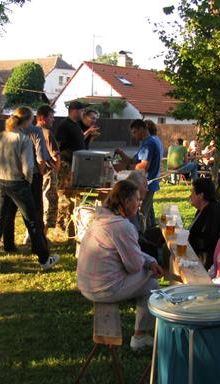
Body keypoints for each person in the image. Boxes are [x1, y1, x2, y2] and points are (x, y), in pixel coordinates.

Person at [77, 180, 165, 350]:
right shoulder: (122, 226)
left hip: (85, 283)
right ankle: (140, 336)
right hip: (102, 288)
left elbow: (132, 254)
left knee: (149, 276)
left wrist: (149, 261)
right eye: (137, 200)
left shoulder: (101, 217)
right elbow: (134, 265)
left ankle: (141, 335)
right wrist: (151, 264)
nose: (139, 203)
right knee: (152, 280)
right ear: (126, 201)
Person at [0, 111, 59, 275]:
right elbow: (28, 166)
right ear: (23, 123)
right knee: (33, 221)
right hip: (19, 184)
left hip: (2, 183)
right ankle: (44, 260)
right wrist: (27, 181)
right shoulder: (23, 139)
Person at [2, 107, 50, 250]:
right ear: (30, 119)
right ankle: (38, 245)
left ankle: (9, 245)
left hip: (9, 176)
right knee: (34, 212)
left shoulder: (8, 132)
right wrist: (41, 172)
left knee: (9, 212)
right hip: (31, 175)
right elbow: (41, 158)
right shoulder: (35, 131)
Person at [113, 120, 163, 228]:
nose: (134, 136)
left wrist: (124, 167)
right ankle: (149, 233)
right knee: (148, 216)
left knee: (141, 214)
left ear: (141, 129)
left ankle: (139, 236)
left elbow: (143, 166)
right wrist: (122, 154)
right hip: (147, 183)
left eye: (135, 132)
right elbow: (133, 161)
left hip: (147, 184)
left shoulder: (148, 144)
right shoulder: (145, 143)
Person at [55, 100, 89, 231]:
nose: (83, 113)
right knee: (64, 193)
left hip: (76, 164)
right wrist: (58, 162)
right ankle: (60, 223)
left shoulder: (76, 125)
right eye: (81, 111)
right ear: (74, 111)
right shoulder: (65, 125)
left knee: (73, 194)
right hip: (66, 164)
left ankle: (70, 220)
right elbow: (57, 145)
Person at [188, 178, 220, 269]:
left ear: (201, 195)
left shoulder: (213, 212)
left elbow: (207, 241)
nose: (190, 196)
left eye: (192, 193)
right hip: (199, 254)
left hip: (208, 261)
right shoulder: (203, 208)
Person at [35, 105, 60, 236]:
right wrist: (56, 173)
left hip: (33, 173)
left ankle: (32, 234)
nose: (53, 119)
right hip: (47, 173)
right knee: (49, 202)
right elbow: (56, 157)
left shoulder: (30, 132)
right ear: (42, 118)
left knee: (36, 203)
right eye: (51, 117)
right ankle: (42, 235)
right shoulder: (47, 133)